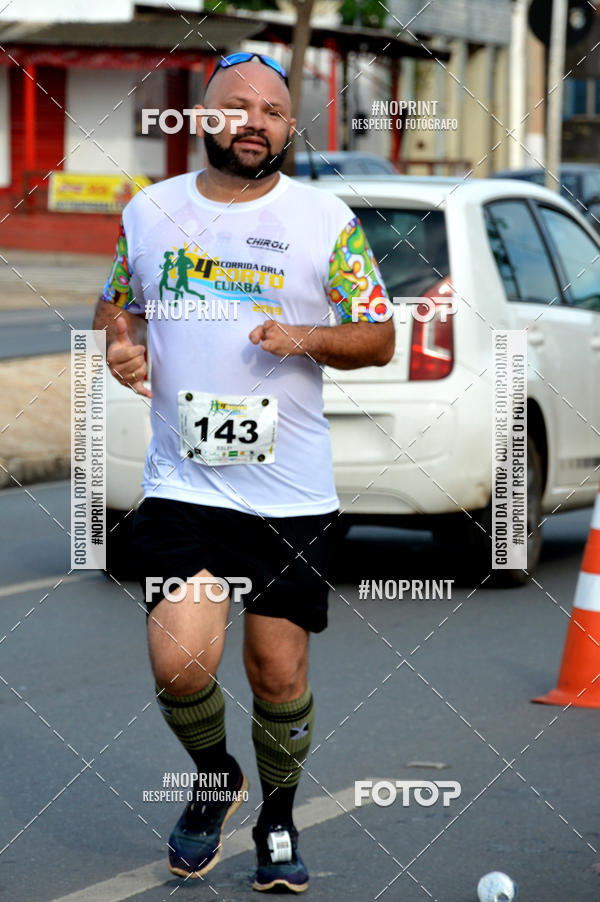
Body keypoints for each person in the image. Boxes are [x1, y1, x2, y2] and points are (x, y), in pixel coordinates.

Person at [93, 51, 394, 894]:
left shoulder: (324, 220)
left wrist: (305, 337)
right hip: (183, 482)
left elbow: (377, 335)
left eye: (273, 109)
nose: (256, 120)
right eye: (239, 105)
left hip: (290, 495)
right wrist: (120, 340)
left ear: (288, 128)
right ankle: (214, 776)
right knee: (180, 664)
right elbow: (119, 298)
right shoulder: (150, 211)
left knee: (277, 673)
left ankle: (277, 814)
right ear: (204, 117)